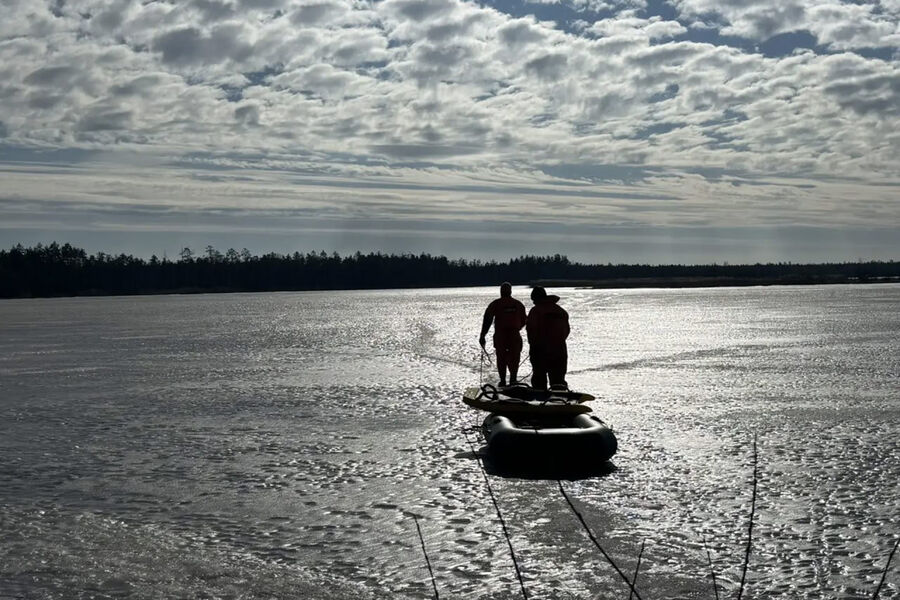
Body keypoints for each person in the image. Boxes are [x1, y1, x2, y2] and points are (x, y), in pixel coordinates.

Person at [479, 282, 527, 387]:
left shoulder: (496, 304)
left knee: (501, 358)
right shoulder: (518, 304)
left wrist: (483, 335)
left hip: (501, 336)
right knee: (514, 358)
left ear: (501, 292)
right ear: (510, 291)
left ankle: (503, 381)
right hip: (514, 335)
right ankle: (513, 379)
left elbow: (487, 319)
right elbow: (524, 321)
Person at [526, 286, 570, 390]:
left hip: (540, 350)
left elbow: (531, 330)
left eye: (533, 300)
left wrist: (533, 346)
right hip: (560, 349)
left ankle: (540, 401)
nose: (533, 303)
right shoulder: (561, 311)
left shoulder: (535, 311)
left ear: (536, 298)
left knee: (539, 379)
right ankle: (560, 400)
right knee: (558, 380)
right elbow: (566, 331)